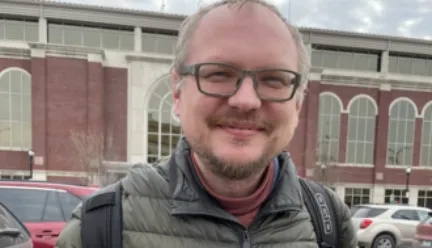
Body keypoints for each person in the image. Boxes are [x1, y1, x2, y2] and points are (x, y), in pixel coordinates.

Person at [55, 0, 356, 247]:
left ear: (298, 102)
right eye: (218, 74)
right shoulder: (98, 230)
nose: (246, 100)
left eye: (273, 79)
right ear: (177, 91)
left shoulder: (329, 223)